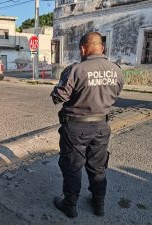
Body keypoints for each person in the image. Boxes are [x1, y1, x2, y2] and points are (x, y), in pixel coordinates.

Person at [51, 32, 124, 218]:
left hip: (76, 127)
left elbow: (59, 96)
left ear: (83, 48)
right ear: (102, 47)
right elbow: (117, 92)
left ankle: (70, 205)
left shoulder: (75, 69)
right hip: (101, 126)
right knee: (98, 167)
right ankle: (98, 204)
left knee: (72, 167)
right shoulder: (116, 70)